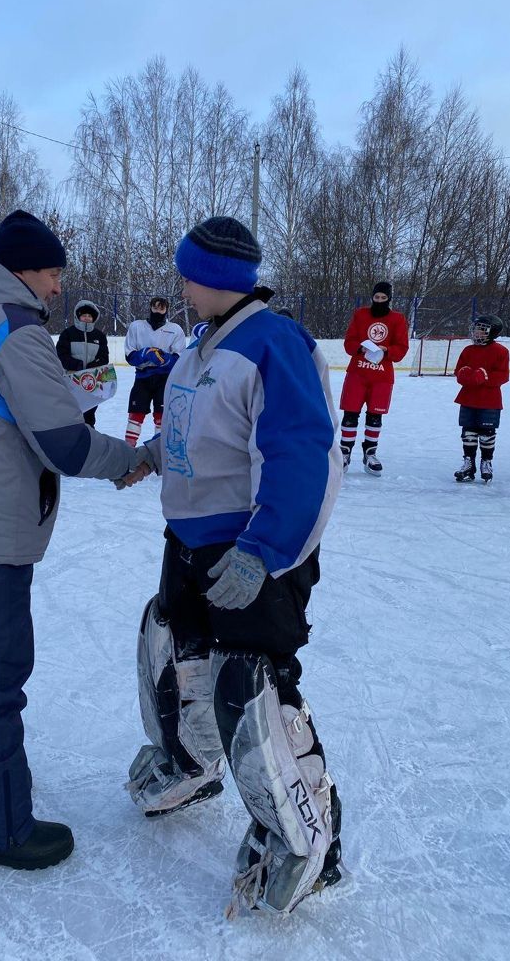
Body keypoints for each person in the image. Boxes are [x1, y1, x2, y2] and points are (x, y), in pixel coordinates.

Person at [0, 210, 147, 871]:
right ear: (21, 268)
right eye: (50, 273)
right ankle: (0, 827)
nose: (55, 289)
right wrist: (133, 460)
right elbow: (65, 444)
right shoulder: (13, 331)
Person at [123, 216, 344, 917]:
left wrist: (264, 551)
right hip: (189, 541)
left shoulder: (274, 341)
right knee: (180, 655)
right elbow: (201, 428)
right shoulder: (201, 345)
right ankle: (192, 765)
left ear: (214, 278)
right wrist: (154, 454)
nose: (180, 282)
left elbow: (301, 453)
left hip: (250, 550)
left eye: (188, 271)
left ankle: (309, 837)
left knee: (252, 684)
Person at [338, 282, 409, 475]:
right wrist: (361, 348)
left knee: (374, 416)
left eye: (383, 298)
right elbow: (349, 342)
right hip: (357, 374)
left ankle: (370, 453)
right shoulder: (360, 314)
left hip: (382, 377)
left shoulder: (397, 319)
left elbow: (401, 348)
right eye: (376, 297)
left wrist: (386, 351)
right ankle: (344, 452)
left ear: (389, 299)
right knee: (350, 414)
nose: (379, 301)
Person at [453, 313, 509, 483]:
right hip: (468, 398)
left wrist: (484, 377)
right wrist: (465, 375)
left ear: (492, 333)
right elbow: (459, 371)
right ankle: (468, 463)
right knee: (468, 432)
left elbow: (503, 376)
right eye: (476, 329)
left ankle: (486, 461)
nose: (477, 332)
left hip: (489, 400)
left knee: (487, 433)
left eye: (482, 330)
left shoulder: (501, 351)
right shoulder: (468, 350)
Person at [123, 296, 186, 445]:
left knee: (162, 417)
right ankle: (128, 451)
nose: (158, 311)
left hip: (164, 380)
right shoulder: (136, 326)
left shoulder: (175, 329)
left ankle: (159, 453)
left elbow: (179, 358)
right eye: (155, 307)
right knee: (135, 415)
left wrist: (166, 359)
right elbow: (130, 356)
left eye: (162, 308)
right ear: (150, 308)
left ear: (166, 310)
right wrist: (143, 354)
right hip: (142, 379)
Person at [56, 299, 110, 425]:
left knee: (89, 415)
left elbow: (104, 357)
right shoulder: (68, 333)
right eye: (84, 315)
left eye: (89, 316)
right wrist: (77, 365)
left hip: (92, 381)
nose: (86, 318)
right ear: (78, 316)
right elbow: (61, 355)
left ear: (94, 318)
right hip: (72, 379)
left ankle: (90, 439)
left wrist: (92, 367)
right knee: (71, 412)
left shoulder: (100, 336)